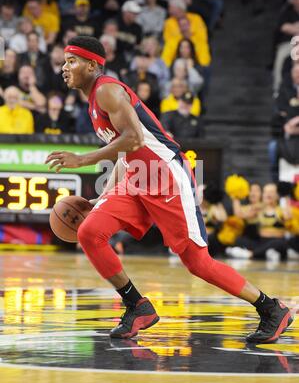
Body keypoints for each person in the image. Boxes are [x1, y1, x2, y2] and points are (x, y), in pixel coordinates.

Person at [45, 35, 293, 343]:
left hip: (165, 177)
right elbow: (123, 150)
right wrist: (103, 194)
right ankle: (137, 305)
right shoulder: (93, 102)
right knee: (89, 231)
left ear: (92, 65)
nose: (64, 68)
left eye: (71, 61)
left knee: (198, 263)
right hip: (137, 178)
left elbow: (134, 138)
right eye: (64, 61)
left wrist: (82, 159)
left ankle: (271, 308)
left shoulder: (107, 89)